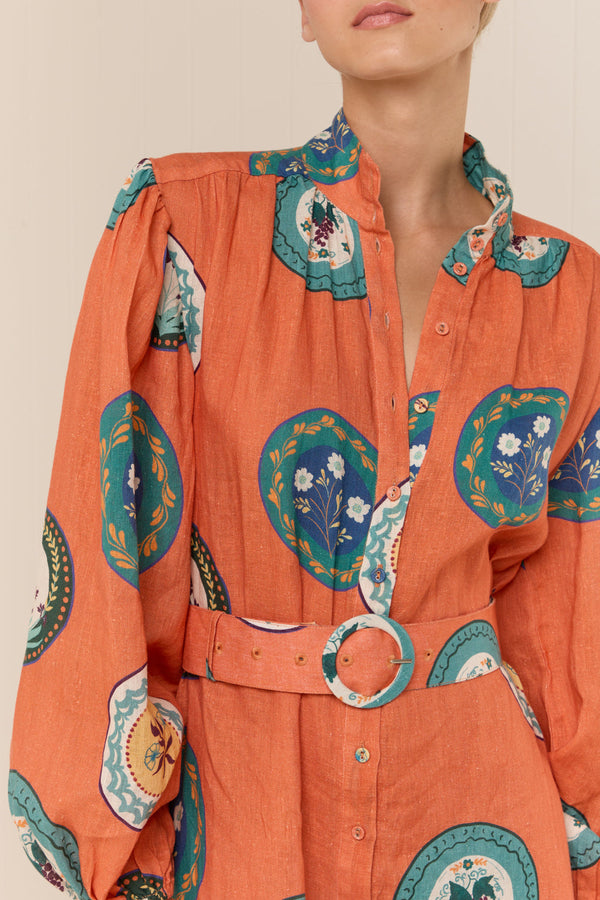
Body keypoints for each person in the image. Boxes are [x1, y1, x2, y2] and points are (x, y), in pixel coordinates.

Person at [8, 1, 600, 897]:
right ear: (302, 11)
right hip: (237, 823)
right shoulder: (185, 227)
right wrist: (122, 858)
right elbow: (110, 564)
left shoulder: (570, 297)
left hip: (483, 832)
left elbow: (567, 640)